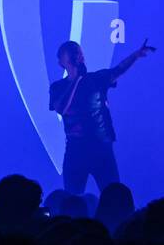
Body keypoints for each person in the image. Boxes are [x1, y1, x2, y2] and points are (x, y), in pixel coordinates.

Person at [49, 38, 154, 195]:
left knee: (113, 194)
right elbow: (62, 108)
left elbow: (118, 70)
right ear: (61, 63)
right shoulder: (58, 87)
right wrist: (77, 79)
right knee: (72, 196)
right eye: (72, 53)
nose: (77, 55)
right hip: (75, 149)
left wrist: (136, 55)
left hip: (101, 147)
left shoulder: (96, 79)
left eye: (78, 52)